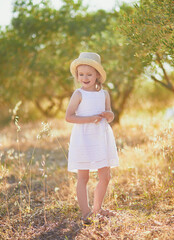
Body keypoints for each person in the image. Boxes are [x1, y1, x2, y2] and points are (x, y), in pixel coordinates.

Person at [65, 52, 119, 224]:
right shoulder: (78, 94)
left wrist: (109, 115)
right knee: (83, 177)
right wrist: (90, 119)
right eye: (81, 74)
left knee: (105, 176)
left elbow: (109, 115)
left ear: (97, 74)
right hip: (83, 138)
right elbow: (69, 117)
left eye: (89, 74)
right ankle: (86, 212)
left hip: (101, 137)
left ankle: (98, 208)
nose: (85, 77)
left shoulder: (104, 94)